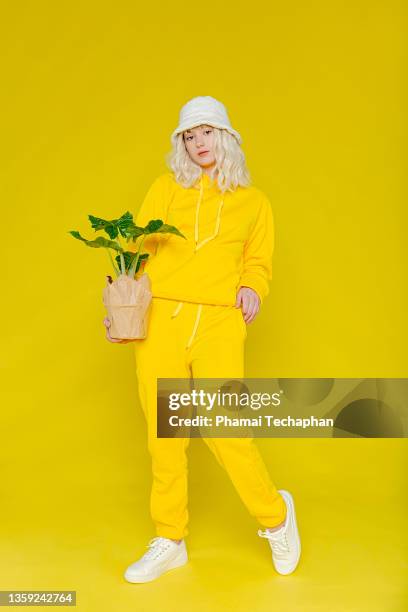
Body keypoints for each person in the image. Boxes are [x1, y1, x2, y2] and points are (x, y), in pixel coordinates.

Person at [104, 96, 301, 583]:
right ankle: (170, 538)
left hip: (218, 320)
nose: (198, 143)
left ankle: (276, 517)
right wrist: (119, 306)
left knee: (225, 429)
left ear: (226, 136)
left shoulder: (254, 202)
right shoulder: (165, 189)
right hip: (162, 319)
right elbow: (137, 250)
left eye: (206, 132)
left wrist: (253, 287)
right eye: (189, 136)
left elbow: (258, 259)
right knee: (164, 435)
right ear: (181, 144)